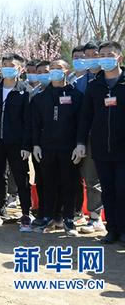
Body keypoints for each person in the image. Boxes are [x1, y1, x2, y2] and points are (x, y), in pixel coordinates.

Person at [76, 41, 125, 245]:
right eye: (102, 54)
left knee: (122, 190)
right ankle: (112, 229)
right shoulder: (95, 85)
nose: (105, 57)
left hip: (123, 149)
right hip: (101, 148)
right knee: (108, 190)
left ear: (119, 57)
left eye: (109, 54)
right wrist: (80, 142)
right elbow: (85, 116)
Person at [30, 59, 82, 236]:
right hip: (47, 147)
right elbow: (35, 124)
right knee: (48, 184)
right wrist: (36, 144)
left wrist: (79, 145)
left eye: (58, 68)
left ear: (67, 71)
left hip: (68, 148)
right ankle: (48, 217)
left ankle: (68, 218)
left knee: (69, 183)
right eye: (51, 69)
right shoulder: (40, 97)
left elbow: (81, 124)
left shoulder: (76, 96)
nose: (54, 71)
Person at [0, 53, 33, 231]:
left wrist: (27, 145)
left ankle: (26, 213)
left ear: (20, 69)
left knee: (21, 177)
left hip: (17, 143)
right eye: (4, 65)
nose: (7, 68)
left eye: (11, 65)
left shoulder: (25, 91)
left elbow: (29, 122)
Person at [72, 41, 105, 233]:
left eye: (95, 55)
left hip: (108, 137)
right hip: (84, 138)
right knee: (91, 179)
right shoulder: (78, 83)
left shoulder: (109, 79)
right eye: (88, 56)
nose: (91, 59)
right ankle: (94, 216)